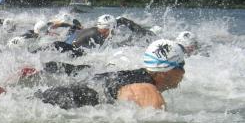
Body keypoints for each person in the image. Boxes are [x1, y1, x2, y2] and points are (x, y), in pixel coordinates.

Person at [36, 39, 186, 110]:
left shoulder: (135, 76)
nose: (184, 72)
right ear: (166, 71)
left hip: (54, 95)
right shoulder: (146, 89)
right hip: (59, 102)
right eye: (181, 65)